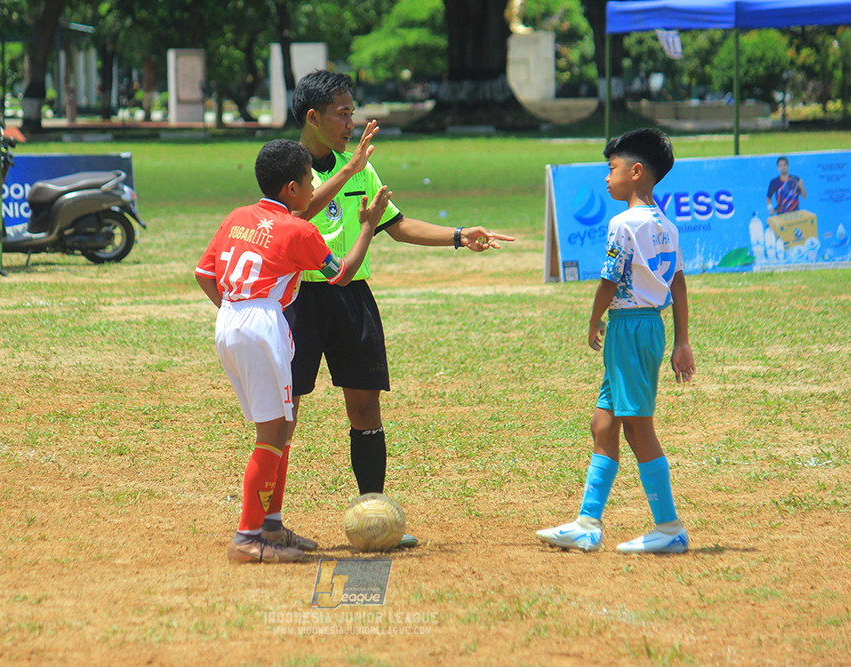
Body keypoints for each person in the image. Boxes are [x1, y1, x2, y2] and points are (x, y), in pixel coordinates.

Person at [282, 69, 516, 548]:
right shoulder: (287, 165)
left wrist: (458, 235)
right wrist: (346, 171)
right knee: (285, 411)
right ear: (313, 117)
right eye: (342, 113)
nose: (352, 121)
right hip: (298, 298)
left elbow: (397, 224)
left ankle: (375, 516)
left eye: (352, 112)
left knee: (366, 406)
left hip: (352, 297)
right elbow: (293, 217)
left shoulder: (360, 168)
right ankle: (269, 522)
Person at [195, 139, 390, 563]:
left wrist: (236, 311)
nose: (312, 188)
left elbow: (204, 273)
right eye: (308, 181)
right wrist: (367, 226)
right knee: (271, 436)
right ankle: (246, 539)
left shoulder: (238, 217)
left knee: (281, 428)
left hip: (230, 318)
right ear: (291, 189)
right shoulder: (298, 229)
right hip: (262, 325)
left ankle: (272, 526)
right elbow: (342, 275)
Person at [536, 128, 696, 554]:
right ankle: (588, 523)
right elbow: (678, 284)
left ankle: (668, 527)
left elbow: (609, 281)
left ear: (636, 171)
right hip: (649, 327)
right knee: (604, 423)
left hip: (628, 327)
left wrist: (593, 319)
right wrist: (681, 341)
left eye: (612, 168)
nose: (607, 178)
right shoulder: (666, 225)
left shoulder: (623, 224)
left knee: (638, 427)